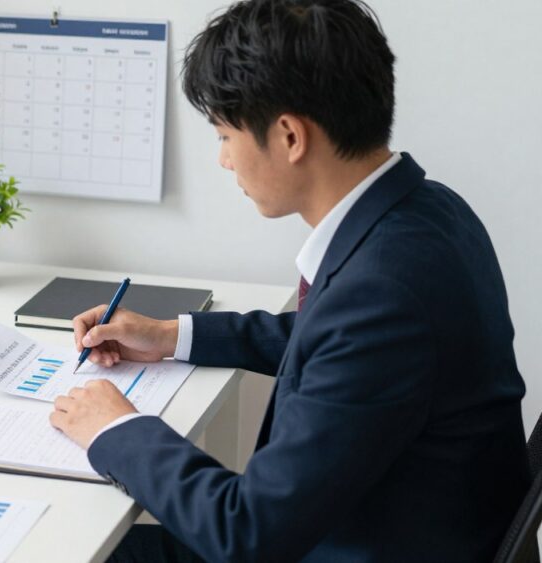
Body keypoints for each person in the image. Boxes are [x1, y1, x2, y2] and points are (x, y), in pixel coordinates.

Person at [48, 0, 529, 561]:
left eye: (225, 135)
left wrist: (115, 429)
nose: (225, 161)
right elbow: (333, 345)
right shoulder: (428, 211)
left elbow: (247, 533)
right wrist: (171, 336)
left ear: (289, 137)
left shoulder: (383, 296)